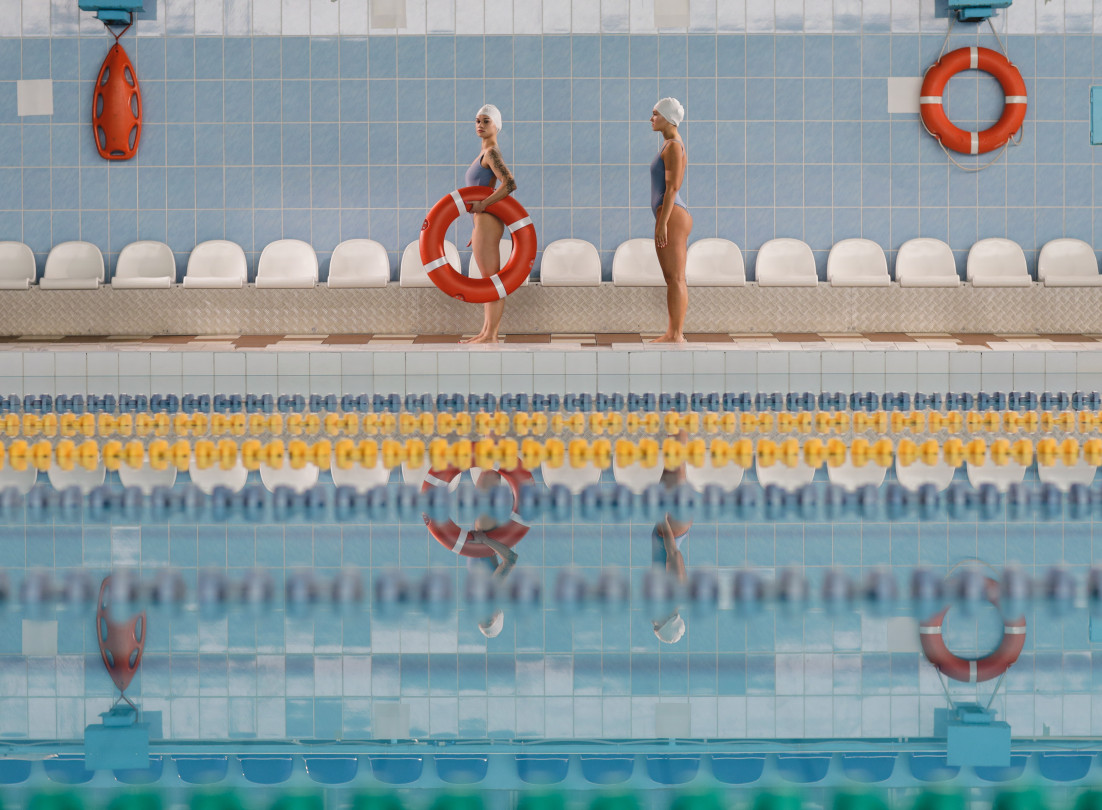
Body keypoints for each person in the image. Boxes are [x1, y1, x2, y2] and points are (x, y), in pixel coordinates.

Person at [461, 104, 518, 345]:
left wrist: (484, 205)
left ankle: (491, 334)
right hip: (481, 222)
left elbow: (509, 184)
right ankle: (485, 331)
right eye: (477, 121)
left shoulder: (491, 152)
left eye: (486, 121)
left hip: (488, 219)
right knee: (487, 277)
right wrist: (476, 227)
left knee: (491, 278)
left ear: (496, 126)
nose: (480, 125)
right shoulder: (482, 153)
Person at [649, 97, 693, 344]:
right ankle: (673, 332)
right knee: (672, 277)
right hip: (671, 214)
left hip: (673, 215)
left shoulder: (674, 145)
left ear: (667, 117)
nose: (651, 119)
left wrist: (662, 222)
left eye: (655, 114)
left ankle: (675, 334)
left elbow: (672, 186)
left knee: (676, 277)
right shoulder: (669, 144)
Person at [651, 442, 692, 644]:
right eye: (657, 624)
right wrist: (664, 520)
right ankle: (680, 416)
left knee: (673, 462)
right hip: (673, 526)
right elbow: (673, 554)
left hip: (676, 527)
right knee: (677, 457)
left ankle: (676, 418)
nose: (653, 621)